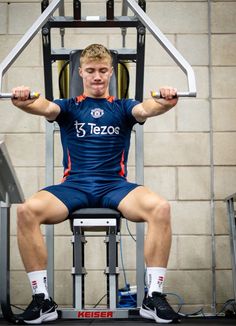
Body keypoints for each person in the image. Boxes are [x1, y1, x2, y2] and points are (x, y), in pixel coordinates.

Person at [11, 43, 179, 324]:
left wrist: (164, 100)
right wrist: (24, 99)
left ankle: (153, 295)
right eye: (90, 71)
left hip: (115, 186)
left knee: (160, 207)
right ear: (80, 73)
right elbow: (43, 106)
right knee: (26, 211)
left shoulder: (123, 107)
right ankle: (42, 300)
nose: (97, 76)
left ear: (111, 73)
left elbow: (146, 109)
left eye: (102, 70)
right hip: (74, 186)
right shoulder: (68, 107)